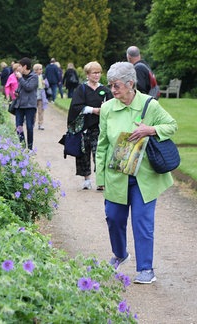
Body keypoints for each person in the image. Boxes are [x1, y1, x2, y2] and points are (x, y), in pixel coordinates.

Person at [96, 61, 177, 284]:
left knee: (142, 222)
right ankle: (120, 254)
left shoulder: (149, 105)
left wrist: (150, 129)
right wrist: (100, 177)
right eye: (111, 85)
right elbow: (102, 144)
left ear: (131, 84)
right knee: (113, 218)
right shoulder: (107, 108)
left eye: (117, 85)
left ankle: (145, 269)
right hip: (116, 175)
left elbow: (172, 125)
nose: (113, 90)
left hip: (145, 176)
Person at [67, 61, 112, 190]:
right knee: (83, 153)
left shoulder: (105, 90)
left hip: (99, 128)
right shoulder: (81, 89)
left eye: (99, 72)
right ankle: (86, 179)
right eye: (94, 73)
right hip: (84, 128)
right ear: (88, 74)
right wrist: (94, 110)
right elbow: (75, 107)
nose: (97, 75)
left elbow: (111, 107)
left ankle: (101, 181)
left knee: (99, 152)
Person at [14, 57, 39, 150]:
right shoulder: (22, 77)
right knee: (18, 127)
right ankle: (22, 146)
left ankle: (29, 147)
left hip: (29, 106)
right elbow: (22, 88)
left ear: (25, 67)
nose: (18, 68)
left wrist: (20, 78)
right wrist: (16, 92)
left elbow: (29, 87)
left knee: (29, 127)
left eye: (20, 66)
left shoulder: (34, 77)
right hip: (20, 105)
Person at [33, 63, 49, 130]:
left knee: (41, 111)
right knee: (33, 111)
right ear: (36, 70)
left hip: (41, 96)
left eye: (41, 69)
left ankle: (40, 124)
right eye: (40, 69)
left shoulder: (43, 76)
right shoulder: (33, 76)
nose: (41, 70)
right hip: (34, 96)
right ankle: (32, 123)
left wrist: (44, 83)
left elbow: (48, 85)